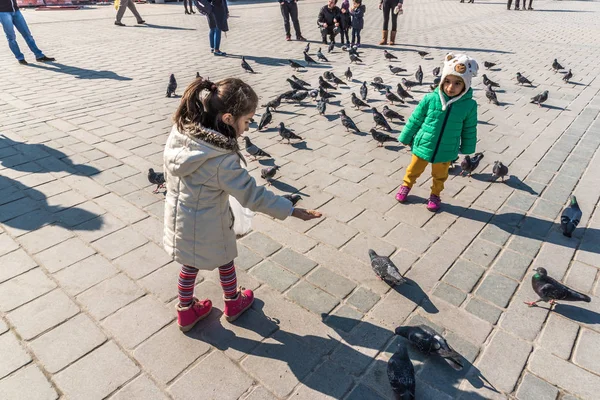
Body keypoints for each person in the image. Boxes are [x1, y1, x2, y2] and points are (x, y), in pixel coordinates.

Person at [163, 77, 322, 332]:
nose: (248, 128)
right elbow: (253, 195)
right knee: (226, 261)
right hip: (210, 223)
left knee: (188, 263)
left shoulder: (181, 134)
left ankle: (185, 311)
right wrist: (290, 210)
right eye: (247, 121)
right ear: (227, 118)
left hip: (179, 216)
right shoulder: (221, 160)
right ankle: (234, 302)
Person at [395, 53, 479, 212]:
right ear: (441, 81)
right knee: (413, 169)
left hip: (446, 150)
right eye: (447, 81)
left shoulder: (469, 106)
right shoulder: (430, 99)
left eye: (457, 83)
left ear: (466, 85)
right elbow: (416, 119)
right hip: (423, 144)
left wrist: (468, 147)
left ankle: (435, 194)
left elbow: (469, 128)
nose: (450, 87)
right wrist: (406, 136)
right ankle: (406, 185)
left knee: (440, 175)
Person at [0, 0, 55, 64]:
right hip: (3, 13)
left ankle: (39, 56)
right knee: (11, 38)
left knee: (27, 34)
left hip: (16, 11)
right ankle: (20, 58)